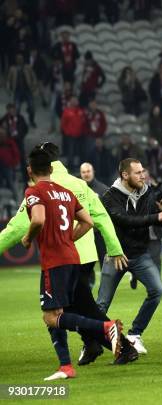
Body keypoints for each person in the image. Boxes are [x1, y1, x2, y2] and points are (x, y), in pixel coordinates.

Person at [0, 142, 136, 367]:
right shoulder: (78, 184)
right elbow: (99, 216)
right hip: (83, 254)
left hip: (59, 258)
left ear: (34, 166)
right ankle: (92, 345)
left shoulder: (40, 188)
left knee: (64, 310)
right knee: (75, 306)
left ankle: (120, 345)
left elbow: (17, 228)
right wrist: (114, 247)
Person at [21, 147, 121, 381]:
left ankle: (104, 328)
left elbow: (38, 218)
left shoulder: (34, 191)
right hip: (73, 258)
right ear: (51, 169)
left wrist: (27, 237)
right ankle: (65, 366)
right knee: (57, 312)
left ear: (30, 170)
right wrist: (68, 238)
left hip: (54, 262)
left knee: (50, 316)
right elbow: (87, 221)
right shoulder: (65, 192)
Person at [97, 159, 162, 354]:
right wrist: (156, 217)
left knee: (157, 290)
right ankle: (91, 343)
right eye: (138, 172)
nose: (143, 175)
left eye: (142, 171)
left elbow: (159, 215)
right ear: (125, 175)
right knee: (102, 304)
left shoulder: (147, 191)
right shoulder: (109, 196)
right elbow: (126, 221)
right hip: (116, 256)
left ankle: (134, 334)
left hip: (140, 254)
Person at [80, 162, 109, 285]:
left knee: (104, 261)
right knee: (86, 262)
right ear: (80, 174)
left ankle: (106, 286)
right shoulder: (77, 189)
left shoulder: (103, 189)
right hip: (84, 234)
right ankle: (89, 286)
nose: (86, 174)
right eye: (84, 172)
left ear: (93, 172)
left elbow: (109, 212)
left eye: (88, 171)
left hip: (99, 233)